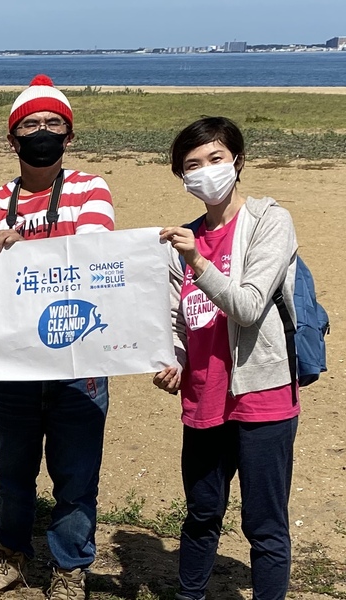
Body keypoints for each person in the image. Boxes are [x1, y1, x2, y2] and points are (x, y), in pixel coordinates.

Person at [0, 75, 115, 600]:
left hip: (79, 368)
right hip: (13, 368)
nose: (42, 132)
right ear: (13, 138)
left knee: (76, 478)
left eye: (53, 124)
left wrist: (22, 243)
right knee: (13, 473)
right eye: (31, 125)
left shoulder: (91, 189)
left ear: (68, 136)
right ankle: (13, 557)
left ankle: (70, 570)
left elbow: (92, 254)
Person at [153, 116, 299, 600]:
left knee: (265, 525)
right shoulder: (184, 239)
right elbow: (179, 320)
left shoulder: (269, 221)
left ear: (237, 160)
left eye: (215, 159)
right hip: (203, 398)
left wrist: (199, 261)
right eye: (191, 165)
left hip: (263, 395)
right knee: (201, 513)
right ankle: (189, 594)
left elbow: (250, 305)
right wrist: (172, 359)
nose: (205, 171)